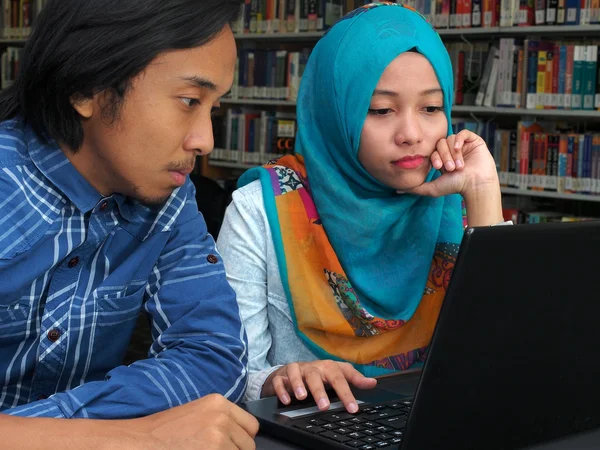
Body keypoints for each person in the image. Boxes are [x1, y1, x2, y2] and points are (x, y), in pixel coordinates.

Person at [216, 2, 508, 415]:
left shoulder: (456, 199)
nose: (411, 135)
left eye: (430, 108)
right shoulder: (263, 210)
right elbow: (225, 374)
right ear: (336, 113)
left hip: (446, 422)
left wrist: (481, 191)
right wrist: (277, 379)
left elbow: (507, 354)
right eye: (381, 110)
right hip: (311, 429)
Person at [0, 0, 258, 447]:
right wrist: (118, 436)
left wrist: (53, 434)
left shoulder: (169, 201)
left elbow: (213, 356)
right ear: (86, 88)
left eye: (213, 108)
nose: (205, 141)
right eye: (189, 101)